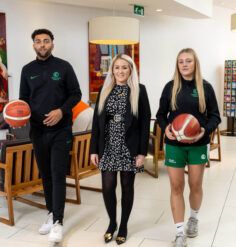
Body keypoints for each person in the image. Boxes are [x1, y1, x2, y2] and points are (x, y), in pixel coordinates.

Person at [19, 29, 82, 243]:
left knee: (57, 174)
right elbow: (23, 100)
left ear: (52, 44)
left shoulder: (64, 67)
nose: (42, 44)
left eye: (46, 41)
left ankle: (58, 222)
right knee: (45, 174)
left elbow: (76, 94)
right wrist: (17, 115)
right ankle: (51, 212)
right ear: (34, 45)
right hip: (37, 131)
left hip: (60, 130)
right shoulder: (27, 70)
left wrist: (60, 111)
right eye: (38, 41)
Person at [156, 48, 221, 247]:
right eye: (181, 61)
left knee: (195, 185)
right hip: (174, 144)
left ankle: (193, 218)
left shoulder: (205, 87)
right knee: (176, 186)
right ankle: (178, 232)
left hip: (198, 144)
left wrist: (205, 130)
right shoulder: (170, 87)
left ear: (195, 64)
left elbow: (215, 116)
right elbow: (160, 115)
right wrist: (166, 128)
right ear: (177, 65)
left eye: (188, 61)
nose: (184, 64)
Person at [90, 54, 151, 245]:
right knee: (108, 187)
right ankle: (112, 223)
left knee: (127, 187)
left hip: (129, 146)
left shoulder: (139, 90)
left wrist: (142, 152)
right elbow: (96, 122)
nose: (120, 71)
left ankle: (123, 225)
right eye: (117, 67)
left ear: (131, 70)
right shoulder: (105, 89)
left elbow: (144, 123)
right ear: (112, 70)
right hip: (107, 144)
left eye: (124, 67)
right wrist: (93, 149)